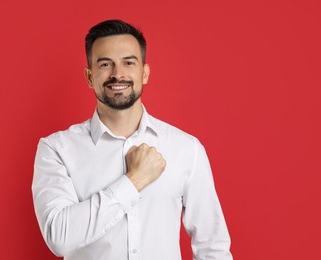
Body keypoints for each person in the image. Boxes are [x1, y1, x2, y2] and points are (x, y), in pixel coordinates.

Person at [32, 19, 233, 260]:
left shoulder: (186, 149)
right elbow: (59, 237)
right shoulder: (56, 149)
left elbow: (213, 247)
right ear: (89, 77)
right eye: (105, 64)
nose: (118, 74)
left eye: (129, 62)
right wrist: (134, 179)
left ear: (144, 73)